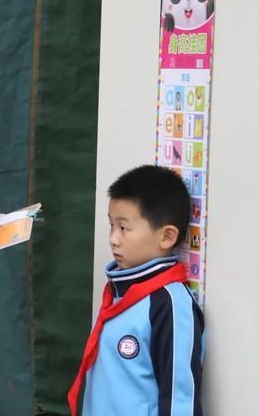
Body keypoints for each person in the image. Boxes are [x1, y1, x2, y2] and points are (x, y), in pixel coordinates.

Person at [68, 165, 205, 416]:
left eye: (124, 228)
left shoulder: (170, 304)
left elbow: (179, 401)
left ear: (166, 237)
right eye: (111, 225)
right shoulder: (117, 291)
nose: (113, 238)